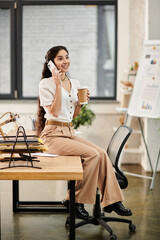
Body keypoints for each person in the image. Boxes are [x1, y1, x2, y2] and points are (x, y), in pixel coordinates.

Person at [36, 46, 132, 220]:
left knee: (101, 154)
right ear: (51, 63)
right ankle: (74, 201)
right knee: (92, 155)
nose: (65, 61)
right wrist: (58, 85)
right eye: (60, 58)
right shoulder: (46, 84)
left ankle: (112, 201)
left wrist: (81, 103)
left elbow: (72, 115)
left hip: (68, 131)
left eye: (67, 57)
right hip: (52, 135)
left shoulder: (76, 83)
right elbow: (55, 112)